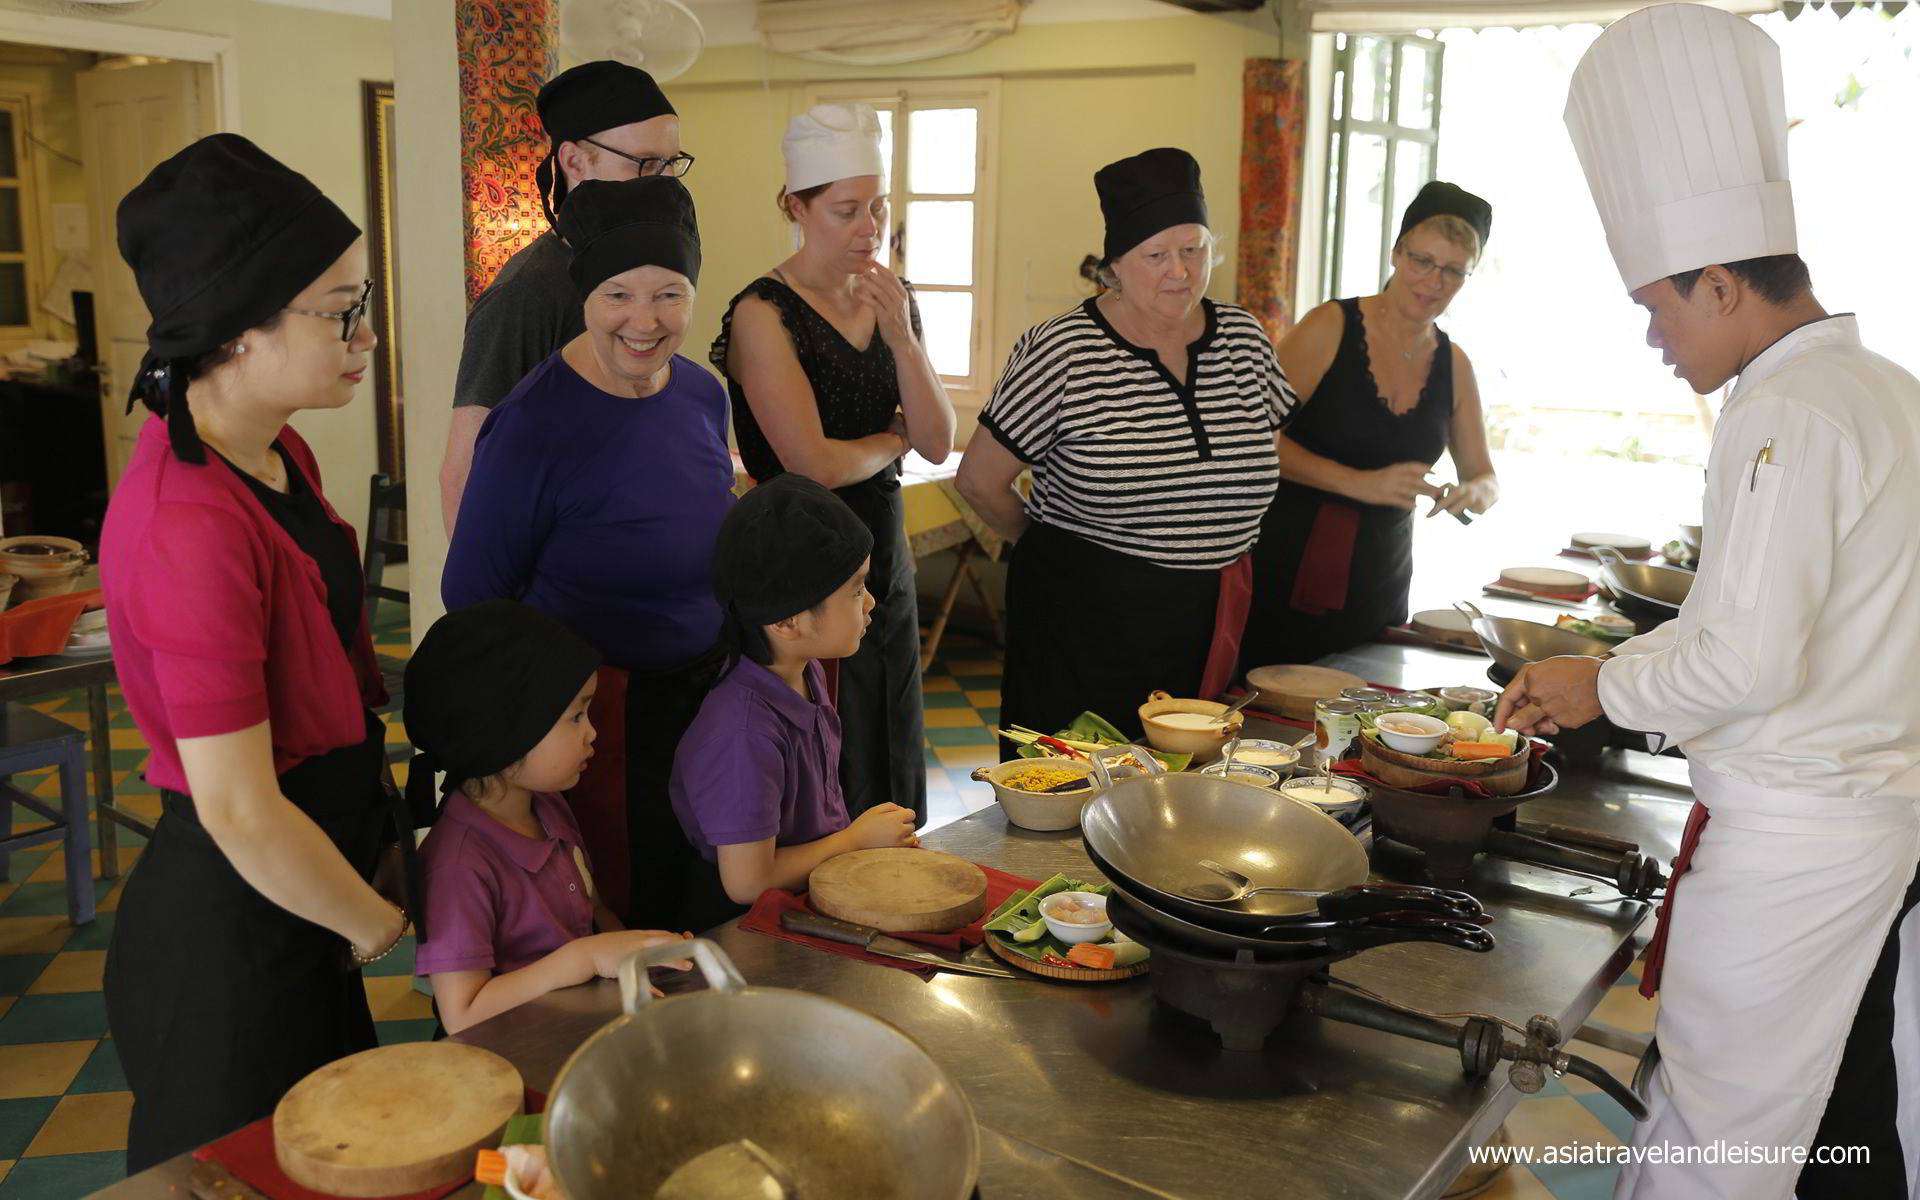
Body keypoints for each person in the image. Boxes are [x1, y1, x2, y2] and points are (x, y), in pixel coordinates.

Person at [1498, 7, 1920, 1197]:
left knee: (1715, 1141)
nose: (1652, 334)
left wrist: (1598, 683)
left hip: (1799, 834)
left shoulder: (1784, 411)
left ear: (1725, 282)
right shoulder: (1884, 388)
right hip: (1860, 819)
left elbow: (1748, 660)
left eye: (1661, 304)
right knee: (1749, 1119)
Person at [97, 134, 410, 1170]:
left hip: (295, 894)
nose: (367, 336)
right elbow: (236, 804)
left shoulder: (274, 451)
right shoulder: (187, 520)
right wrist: (371, 924)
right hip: (236, 926)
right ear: (236, 329)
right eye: (340, 309)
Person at [442, 175, 733, 930]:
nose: (645, 320)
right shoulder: (533, 425)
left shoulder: (704, 395)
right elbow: (475, 596)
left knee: (708, 908)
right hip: (597, 730)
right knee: (626, 922)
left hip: (704, 708)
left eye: (669, 293)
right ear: (583, 298)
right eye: (618, 296)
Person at [955, 147, 1298, 750]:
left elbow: (1253, 458)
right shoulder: (1062, 350)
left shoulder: (1245, 339)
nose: (1180, 272)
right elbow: (979, 480)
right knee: (1072, 797)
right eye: (1156, 255)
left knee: (1187, 800)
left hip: (1212, 616)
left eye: (1193, 250)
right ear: (1114, 266)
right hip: (1087, 626)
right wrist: (1053, 551)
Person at [709, 102, 954, 826]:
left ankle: (900, 889)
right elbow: (810, 464)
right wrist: (892, 440)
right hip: (804, 562)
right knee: (827, 747)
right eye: (846, 210)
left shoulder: (890, 296)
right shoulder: (763, 312)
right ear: (796, 205)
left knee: (892, 726)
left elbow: (938, 438)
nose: (869, 227)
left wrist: (903, 341)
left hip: (883, 550)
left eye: (877, 206)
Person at [1241, 181, 1499, 668]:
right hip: (1286, 564)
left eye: (1452, 272)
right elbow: (1253, 437)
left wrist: (1473, 494)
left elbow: (1484, 476)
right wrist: (1361, 484)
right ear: (1396, 253)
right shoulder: (1328, 327)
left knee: (1364, 714)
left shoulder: (1455, 364)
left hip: (1381, 575)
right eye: (1422, 261)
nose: (1433, 281)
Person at [403, 600, 691, 1034]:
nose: (592, 731)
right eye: (575, 716)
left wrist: (637, 952)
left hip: (572, 1027)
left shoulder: (548, 805)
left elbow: (593, 911)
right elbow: (462, 1012)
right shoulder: (459, 865)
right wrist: (585, 959)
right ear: (507, 736)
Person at [440, 60, 689, 533]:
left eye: (671, 165)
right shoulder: (528, 291)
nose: (663, 184)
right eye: (646, 164)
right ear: (575, 161)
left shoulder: (656, 267)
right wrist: (489, 605)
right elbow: (464, 473)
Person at [670, 475, 919, 926]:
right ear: (787, 622)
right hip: (746, 932)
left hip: (807, 899)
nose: (871, 603)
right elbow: (747, 882)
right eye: (856, 589)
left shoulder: (802, 672)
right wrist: (853, 841)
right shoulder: (742, 733)